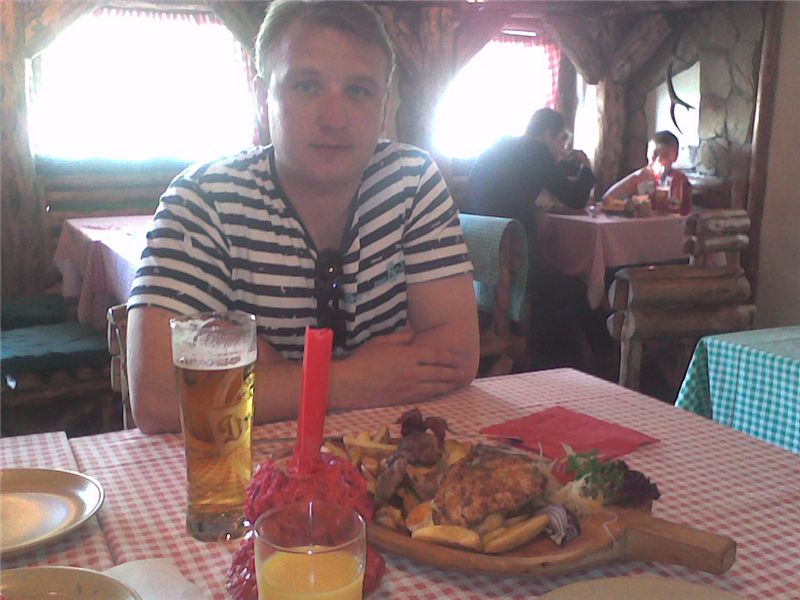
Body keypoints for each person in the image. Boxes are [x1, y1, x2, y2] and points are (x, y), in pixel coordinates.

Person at [126, 0, 479, 434]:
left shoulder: (413, 181)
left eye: (358, 91)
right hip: (246, 465)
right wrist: (350, 380)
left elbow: (456, 356)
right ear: (262, 98)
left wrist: (264, 372)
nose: (335, 119)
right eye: (307, 86)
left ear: (384, 105)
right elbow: (158, 398)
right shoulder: (202, 199)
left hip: (385, 455)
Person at [460, 107, 596, 236]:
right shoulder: (539, 154)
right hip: (500, 233)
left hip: (469, 227)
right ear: (548, 135)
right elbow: (576, 200)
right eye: (561, 139)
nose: (562, 147)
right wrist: (586, 167)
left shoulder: (505, 143)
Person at [603, 130, 692, 214]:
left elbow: (683, 211)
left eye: (665, 156)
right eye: (654, 155)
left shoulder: (679, 180)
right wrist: (634, 178)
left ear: (675, 157)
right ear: (647, 154)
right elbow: (607, 199)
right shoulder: (640, 178)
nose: (658, 161)